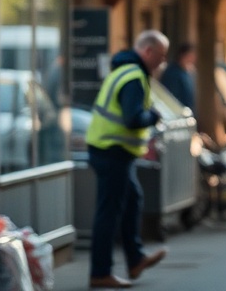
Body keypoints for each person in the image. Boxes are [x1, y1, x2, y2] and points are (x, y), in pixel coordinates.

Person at [85, 30, 169, 289]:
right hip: (113, 151)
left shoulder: (124, 71)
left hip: (110, 150)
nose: (162, 62)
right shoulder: (133, 77)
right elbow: (134, 119)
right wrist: (152, 117)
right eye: (161, 56)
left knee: (132, 200)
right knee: (109, 212)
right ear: (148, 51)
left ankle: (135, 260)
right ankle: (100, 273)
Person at [159, 41, 197, 114]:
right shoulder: (172, 73)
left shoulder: (187, 72)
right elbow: (172, 98)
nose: (193, 58)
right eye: (191, 55)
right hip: (177, 114)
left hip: (188, 113)